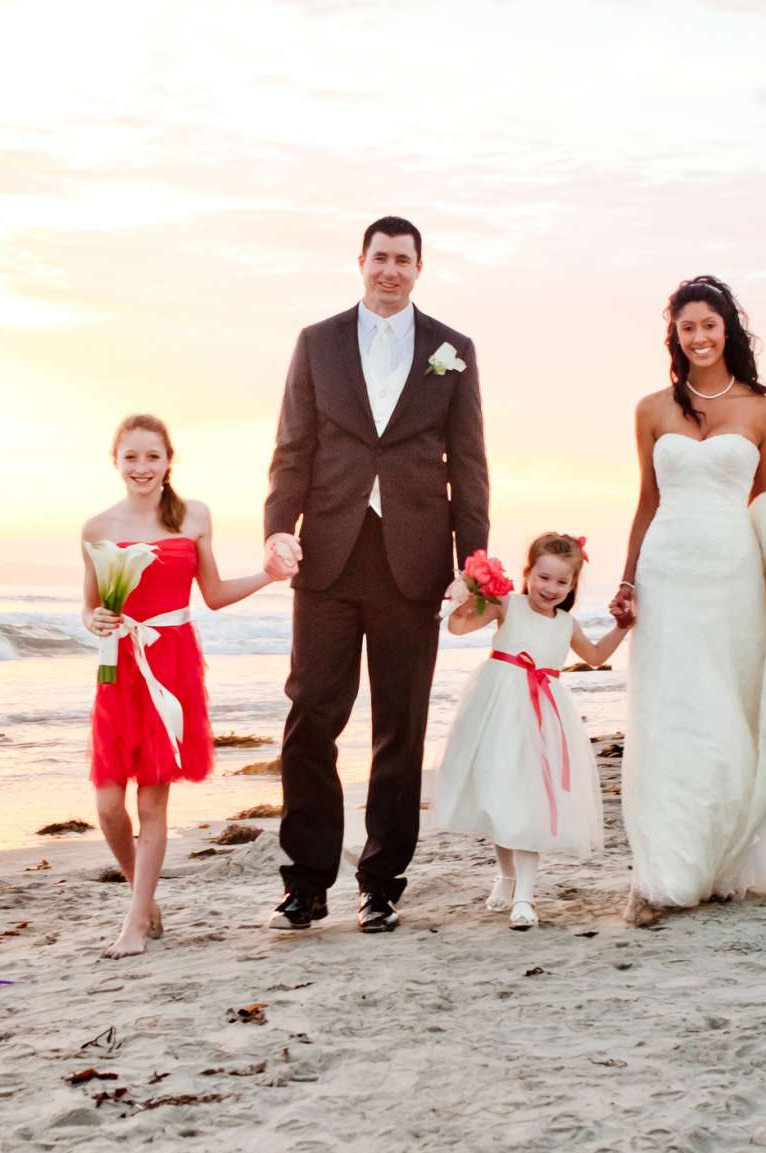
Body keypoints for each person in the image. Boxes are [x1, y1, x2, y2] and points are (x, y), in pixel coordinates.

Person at [263, 216, 490, 933]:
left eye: (404, 260)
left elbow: (469, 463)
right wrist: (278, 525)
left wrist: (471, 563)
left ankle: (382, 883)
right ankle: (305, 884)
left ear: (420, 268)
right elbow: (292, 447)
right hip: (328, 556)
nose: (391, 269)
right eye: (381, 257)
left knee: (401, 726)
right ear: (360, 261)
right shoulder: (317, 342)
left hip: (413, 562)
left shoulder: (453, 350)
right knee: (310, 720)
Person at [608, 276, 766, 927]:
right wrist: (628, 579)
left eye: (709, 325)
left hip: (733, 575)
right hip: (668, 574)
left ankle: (722, 858)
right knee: (668, 715)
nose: (699, 337)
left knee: (725, 709)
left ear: (728, 330)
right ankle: (663, 870)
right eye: (687, 327)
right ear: (675, 336)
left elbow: (759, 499)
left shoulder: (763, 413)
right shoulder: (653, 408)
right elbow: (647, 500)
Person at [81, 413, 287, 958]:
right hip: (119, 666)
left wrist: (269, 574)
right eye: (132, 457)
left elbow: (213, 594)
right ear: (116, 462)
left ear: (169, 460)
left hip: (171, 666)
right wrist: (96, 621)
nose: (142, 467)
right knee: (106, 804)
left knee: (151, 803)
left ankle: (133, 923)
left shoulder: (193, 516)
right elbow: (91, 608)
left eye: (152, 456)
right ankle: (144, 901)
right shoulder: (97, 528)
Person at [431, 534, 624, 930]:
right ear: (527, 573)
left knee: (530, 800)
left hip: (544, 718)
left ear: (572, 586)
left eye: (561, 582)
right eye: (543, 577)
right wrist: (469, 590)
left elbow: (596, 656)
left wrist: (624, 626)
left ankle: (525, 896)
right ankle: (506, 876)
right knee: (502, 797)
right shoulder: (508, 604)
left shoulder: (567, 623)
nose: (550, 588)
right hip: (497, 709)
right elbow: (457, 627)